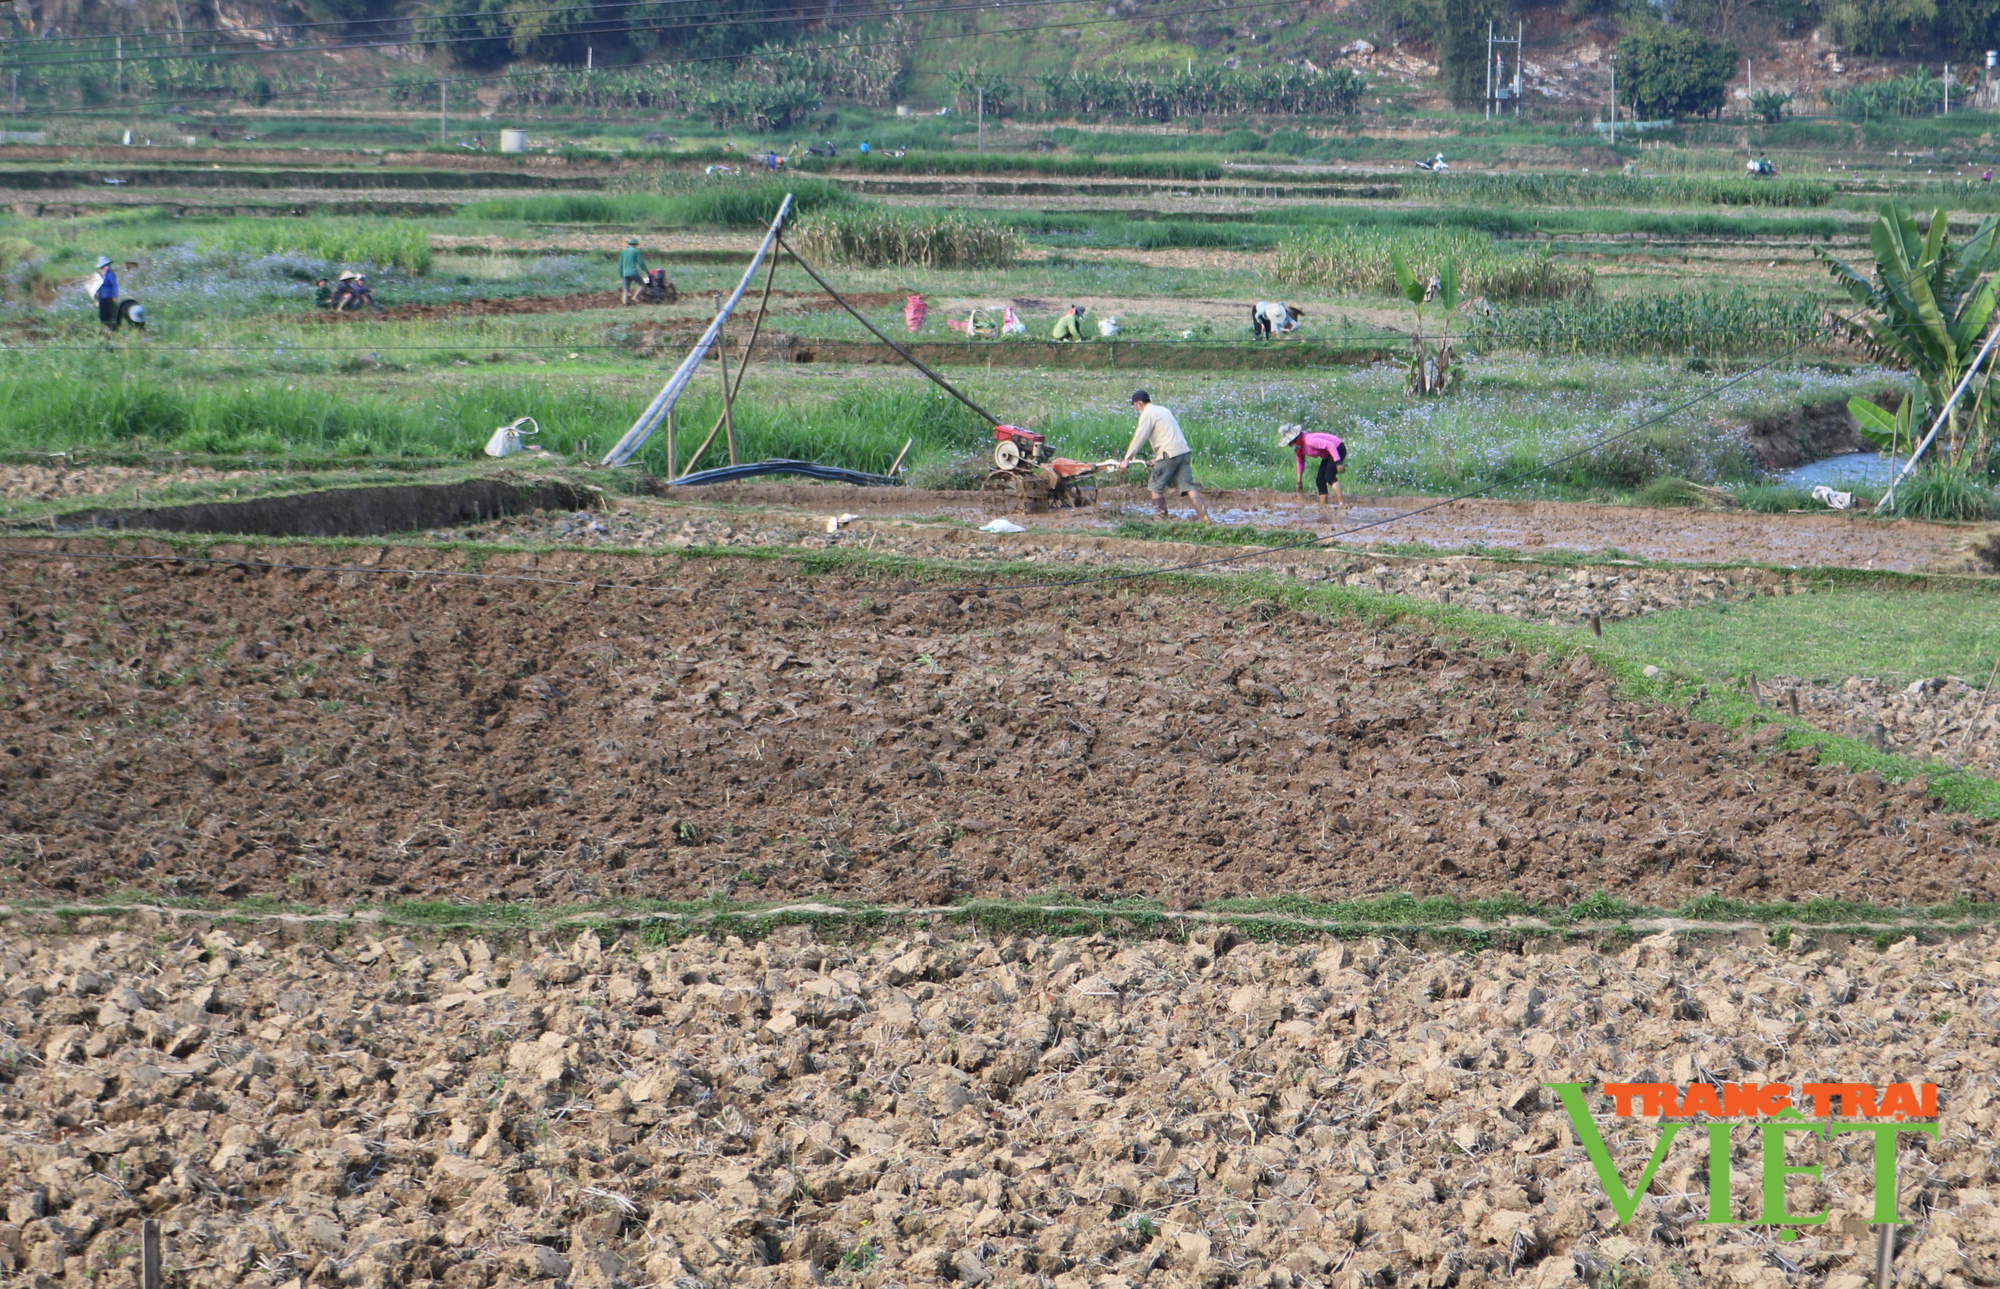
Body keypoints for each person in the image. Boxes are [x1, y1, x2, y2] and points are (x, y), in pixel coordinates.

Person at [1121, 389, 1210, 522]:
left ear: (1139, 403)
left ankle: (1161, 521)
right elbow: (1169, 436)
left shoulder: (1147, 413)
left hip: (1169, 453)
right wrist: (1158, 458)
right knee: (1188, 487)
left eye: (1134, 406)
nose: (1135, 409)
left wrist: (1127, 459)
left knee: (1155, 486)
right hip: (1183, 452)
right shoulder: (1164, 410)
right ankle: (1205, 519)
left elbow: (1140, 437)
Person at [1281, 423, 1346, 510]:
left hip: (1337, 448)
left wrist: (1338, 461)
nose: (1290, 445)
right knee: (1320, 480)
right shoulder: (1299, 449)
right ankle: (1324, 506)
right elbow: (1300, 462)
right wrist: (1299, 482)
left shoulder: (1309, 440)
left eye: (1290, 443)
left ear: (1295, 439)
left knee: (1329, 476)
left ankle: (1342, 504)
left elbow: (1330, 445)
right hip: (1328, 454)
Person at [92, 256, 119, 329]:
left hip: (109, 298)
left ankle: (111, 329)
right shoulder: (104, 275)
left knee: (109, 315)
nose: (102, 268)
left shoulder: (110, 274)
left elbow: (115, 285)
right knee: (103, 316)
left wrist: (115, 296)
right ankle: (108, 329)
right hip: (103, 298)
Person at [619, 237, 647, 305]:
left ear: (629, 244)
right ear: (635, 245)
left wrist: (621, 274)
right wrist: (646, 271)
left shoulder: (624, 252)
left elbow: (620, 265)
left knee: (626, 290)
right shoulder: (636, 251)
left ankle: (624, 303)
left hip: (625, 273)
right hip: (633, 272)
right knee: (642, 285)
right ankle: (635, 297)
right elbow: (641, 263)